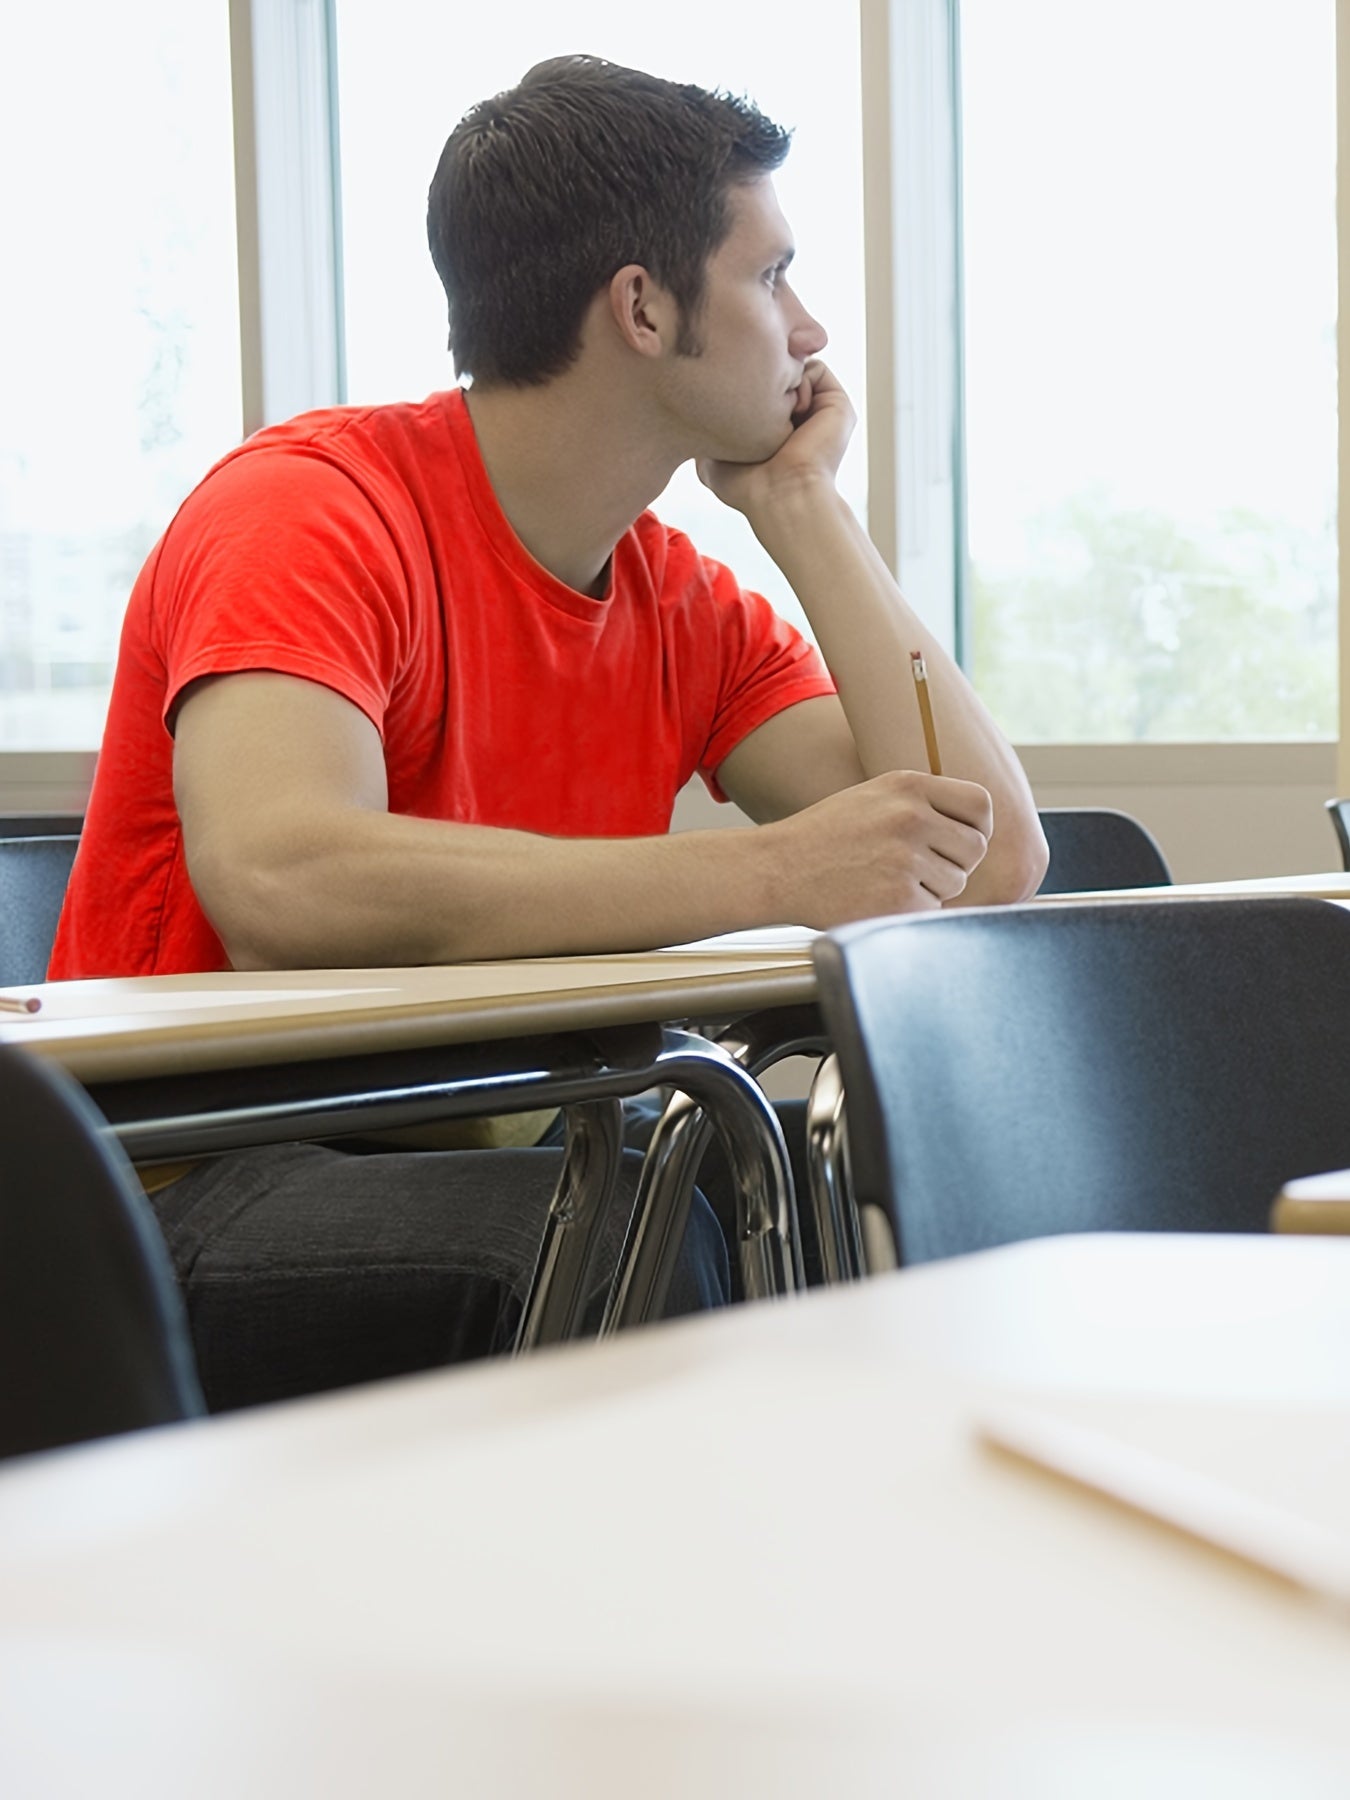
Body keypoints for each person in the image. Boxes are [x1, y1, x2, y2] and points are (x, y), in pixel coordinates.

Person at [51, 56, 1047, 1409]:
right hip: (177, 1182)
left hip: (483, 1146)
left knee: (801, 1216)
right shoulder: (308, 510)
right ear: (641, 306)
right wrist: (771, 877)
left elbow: (984, 864)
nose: (809, 330)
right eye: (770, 277)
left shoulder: (675, 595)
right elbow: (285, 878)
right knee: (654, 1231)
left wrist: (804, 511)